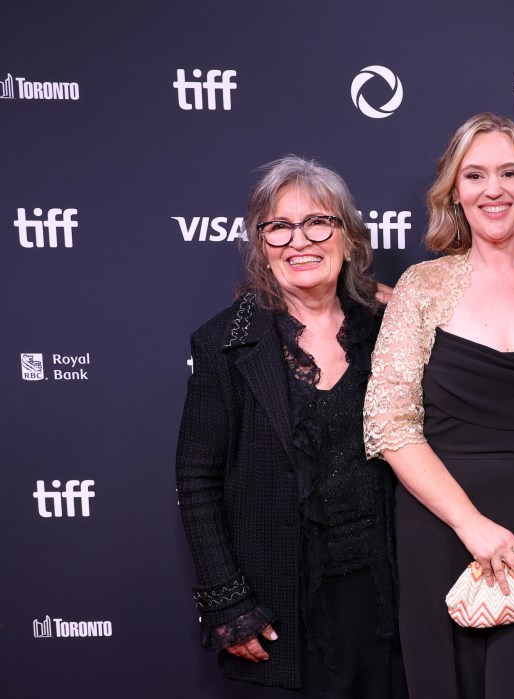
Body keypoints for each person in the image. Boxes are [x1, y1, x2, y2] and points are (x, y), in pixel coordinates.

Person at [363, 112, 514, 699]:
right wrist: (473, 526)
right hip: (443, 524)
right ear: (454, 193)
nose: (493, 189)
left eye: (508, 172)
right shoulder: (422, 285)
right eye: (475, 175)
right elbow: (388, 424)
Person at [175, 155, 406, 698]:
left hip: (386, 595)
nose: (298, 241)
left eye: (318, 222)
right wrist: (228, 602)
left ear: (347, 235)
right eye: (278, 227)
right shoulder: (225, 341)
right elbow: (196, 477)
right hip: (279, 601)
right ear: (261, 246)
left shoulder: (389, 326)